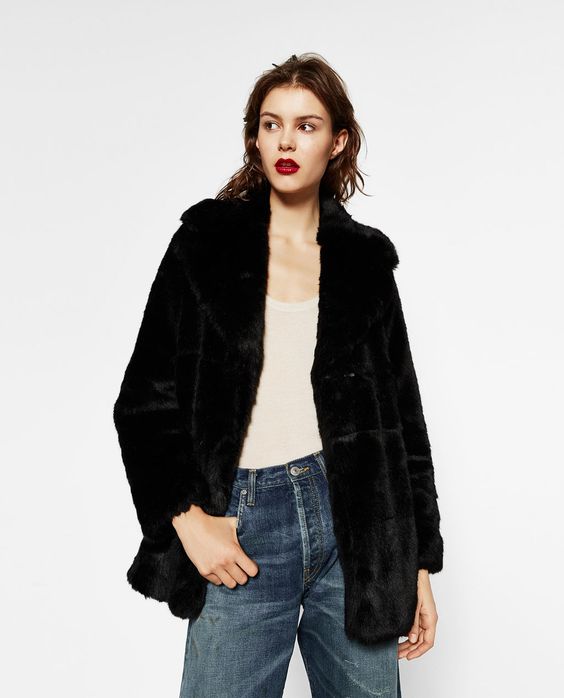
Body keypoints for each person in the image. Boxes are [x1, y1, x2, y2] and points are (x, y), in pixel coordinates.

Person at [113, 53, 444, 698]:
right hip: (243, 522)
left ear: (337, 141)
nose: (286, 142)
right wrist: (188, 519)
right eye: (271, 124)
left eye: (306, 125)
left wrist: (417, 565)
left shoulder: (366, 263)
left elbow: (405, 427)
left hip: (355, 530)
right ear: (255, 138)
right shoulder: (204, 245)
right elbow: (143, 404)